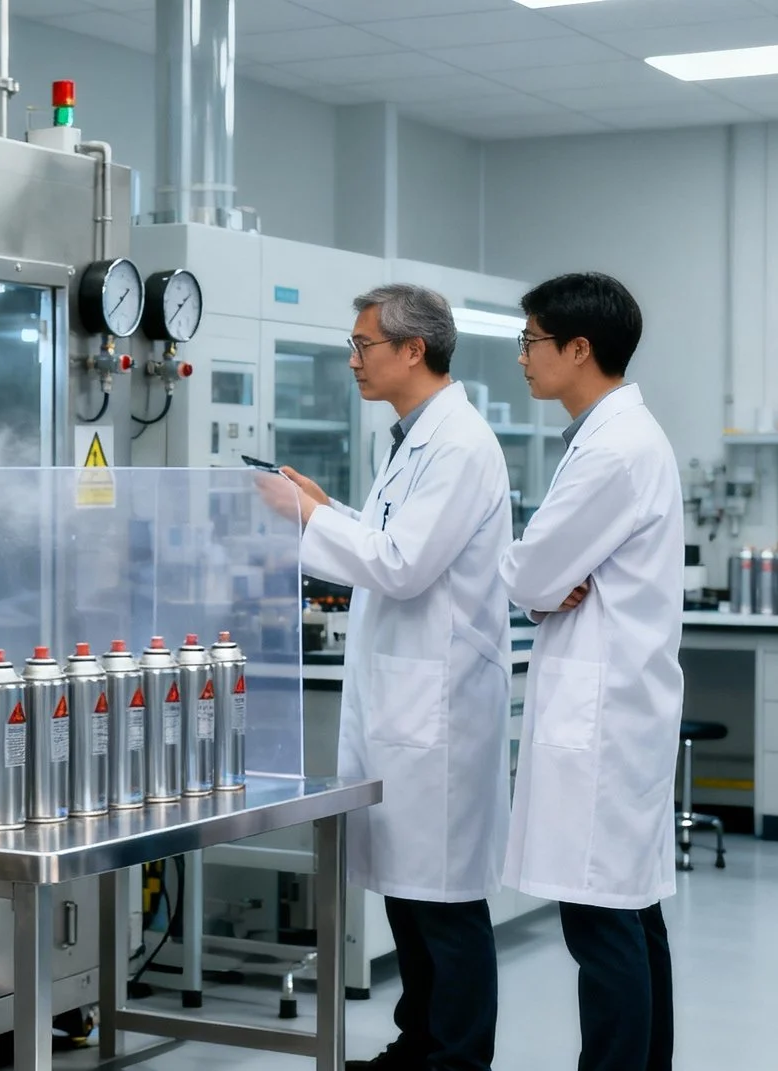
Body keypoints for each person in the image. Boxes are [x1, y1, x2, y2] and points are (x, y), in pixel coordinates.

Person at [267, 284, 512, 1071]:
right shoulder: (413, 439)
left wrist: (308, 519)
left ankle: (459, 1055)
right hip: (406, 698)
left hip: (438, 707)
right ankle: (420, 1043)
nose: (352, 359)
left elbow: (402, 565)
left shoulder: (461, 444)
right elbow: (388, 537)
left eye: (363, 344)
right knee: (411, 896)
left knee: (444, 901)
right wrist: (327, 505)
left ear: (414, 349)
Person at [498, 272, 683, 1071]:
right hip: (619, 706)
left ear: (579, 348)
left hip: (604, 714)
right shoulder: (619, 437)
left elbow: (534, 574)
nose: (523, 358)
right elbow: (546, 576)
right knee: (630, 912)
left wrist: (537, 583)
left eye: (532, 341)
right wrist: (543, 581)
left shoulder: (612, 448)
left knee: (602, 922)